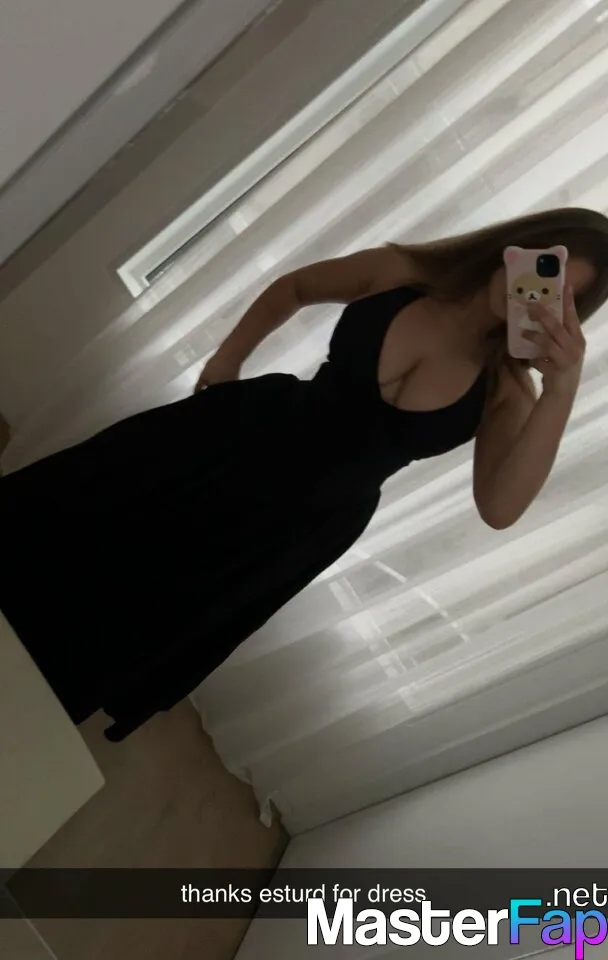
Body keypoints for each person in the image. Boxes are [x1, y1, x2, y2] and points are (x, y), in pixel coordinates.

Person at [1, 207, 607, 742]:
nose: (536, 301)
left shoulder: (507, 390)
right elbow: (296, 287)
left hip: (294, 525)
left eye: (561, 302)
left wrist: (562, 388)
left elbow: (499, 508)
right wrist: (227, 358)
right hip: (235, 437)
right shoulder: (401, 272)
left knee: (137, 612)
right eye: (546, 275)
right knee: (81, 516)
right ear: (519, 248)